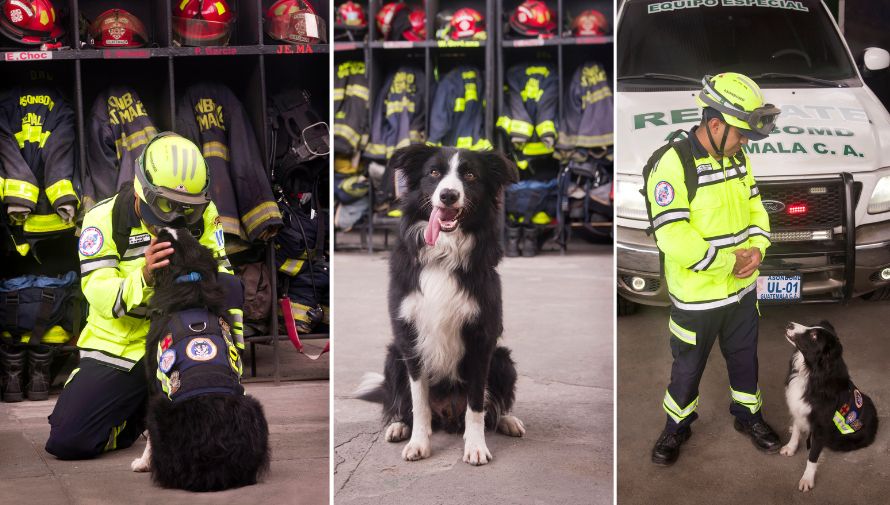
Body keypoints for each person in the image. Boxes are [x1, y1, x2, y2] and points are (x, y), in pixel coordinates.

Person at [44, 132, 244, 460]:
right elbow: (99, 294)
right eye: (167, 204)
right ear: (143, 190)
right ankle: (135, 418)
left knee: (229, 285)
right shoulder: (103, 219)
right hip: (121, 348)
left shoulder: (206, 217)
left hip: (178, 339)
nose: (179, 215)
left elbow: (224, 283)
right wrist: (145, 275)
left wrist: (230, 360)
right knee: (69, 441)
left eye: (190, 208)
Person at [645, 72, 782, 465]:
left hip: (741, 293)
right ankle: (676, 427)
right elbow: (672, 235)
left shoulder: (737, 156)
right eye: (740, 133)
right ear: (715, 123)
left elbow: (756, 207)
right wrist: (727, 263)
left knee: (744, 360)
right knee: (687, 370)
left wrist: (758, 248)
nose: (744, 143)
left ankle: (748, 417)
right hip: (696, 298)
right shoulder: (672, 164)